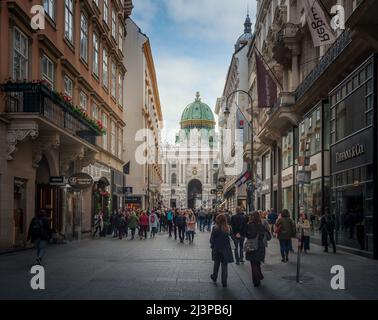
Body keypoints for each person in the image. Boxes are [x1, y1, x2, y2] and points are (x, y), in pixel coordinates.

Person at [210, 214, 234, 288]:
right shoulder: (228, 228)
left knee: (216, 264)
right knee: (224, 265)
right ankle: (224, 282)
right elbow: (232, 237)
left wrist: (212, 246)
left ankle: (214, 277)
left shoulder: (215, 228)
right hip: (226, 249)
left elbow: (211, 240)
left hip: (217, 249)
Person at [245, 212, 267, 288]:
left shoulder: (249, 225)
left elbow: (246, 234)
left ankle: (256, 281)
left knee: (253, 263)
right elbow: (266, 235)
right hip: (260, 245)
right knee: (257, 262)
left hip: (251, 244)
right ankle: (259, 275)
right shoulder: (262, 225)